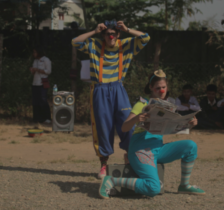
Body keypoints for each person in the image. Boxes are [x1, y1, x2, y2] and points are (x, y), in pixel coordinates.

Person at [99, 70, 205, 199]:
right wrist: (136, 119)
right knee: (153, 187)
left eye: (164, 87)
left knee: (191, 146)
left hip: (158, 149)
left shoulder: (168, 106)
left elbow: (172, 129)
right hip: (141, 151)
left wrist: (189, 124)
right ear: (151, 88)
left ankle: (184, 185)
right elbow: (124, 127)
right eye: (158, 88)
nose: (161, 90)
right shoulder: (142, 104)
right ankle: (112, 180)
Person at [72, 20, 150, 179]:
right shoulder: (94, 45)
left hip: (118, 88)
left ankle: (129, 157)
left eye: (114, 33)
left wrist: (127, 28)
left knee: (128, 121)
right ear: (103, 35)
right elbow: (75, 41)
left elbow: (146, 38)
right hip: (99, 89)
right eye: (108, 33)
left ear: (119, 34)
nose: (111, 36)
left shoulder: (126, 44)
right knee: (103, 126)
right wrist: (94, 31)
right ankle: (103, 164)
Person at [30, 46, 52, 123]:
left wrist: (38, 70)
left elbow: (48, 71)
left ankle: (47, 118)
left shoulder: (46, 60)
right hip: (35, 82)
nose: (34, 54)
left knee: (43, 100)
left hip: (43, 82)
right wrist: (32, 70)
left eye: (35, 52)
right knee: (35, 101)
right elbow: (33, 73)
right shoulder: (35, 61)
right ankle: (37, 118)